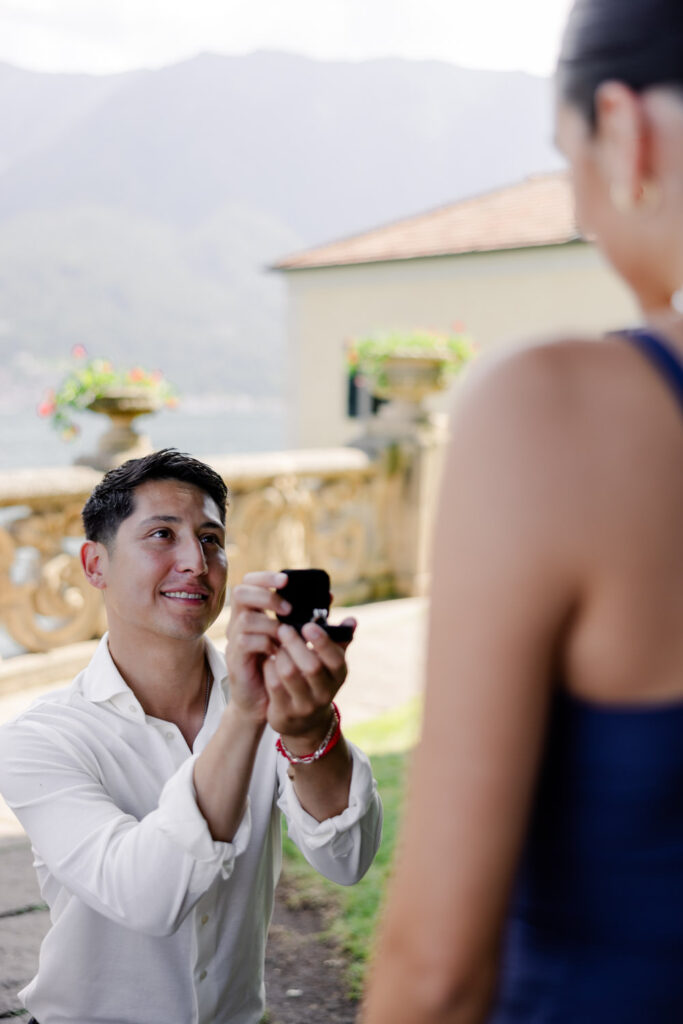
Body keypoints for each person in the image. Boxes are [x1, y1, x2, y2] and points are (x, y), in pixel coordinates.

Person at [362, 0, 683, 1021]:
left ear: (624, 131)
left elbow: (434, 974)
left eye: (568, 160)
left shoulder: (563, 413)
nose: (582, 214)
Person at [0, 448, 382, 1024]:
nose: (196, 563)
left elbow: (347, 859)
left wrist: (310, 729)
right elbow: (146, 897)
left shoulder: (267, 698)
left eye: (211, 539)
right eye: (161, 534)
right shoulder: (41, 739)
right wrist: (248, 717)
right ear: (94, 564)